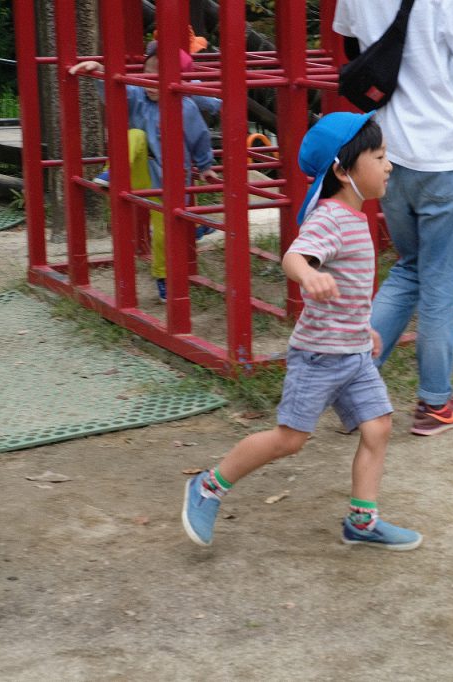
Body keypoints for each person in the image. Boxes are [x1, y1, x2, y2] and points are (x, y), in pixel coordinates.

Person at [181, 111, 422, 551]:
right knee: (290, 440)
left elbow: (350, 289)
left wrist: (363, 329)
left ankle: (362, 522)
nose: (389, 165)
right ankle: (208, 486)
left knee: (379, 427)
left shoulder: (355, 216)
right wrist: (308, 274)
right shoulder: (330, 218)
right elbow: (294, 256)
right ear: (343, 170)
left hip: (353, 353)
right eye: (379, 156)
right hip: (319, 357)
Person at [334, 0, 453, 437]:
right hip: (442, 157)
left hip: (388, 155)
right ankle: (435, 403)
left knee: (410, 268)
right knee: (441, 280)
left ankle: (350, 390)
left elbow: (354, 49)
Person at [68, 42, 221, 303]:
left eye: (158, 76)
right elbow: (116, 93)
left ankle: (164, 277)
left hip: (170, 182)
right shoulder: (138, 96)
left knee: (164, 233)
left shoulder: (186, 108)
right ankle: (111, 174)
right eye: (147, 72)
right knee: (134, 135)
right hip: (138, 172)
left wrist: (206, 167)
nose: (150, 81)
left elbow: (200, 138)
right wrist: (100, 72)